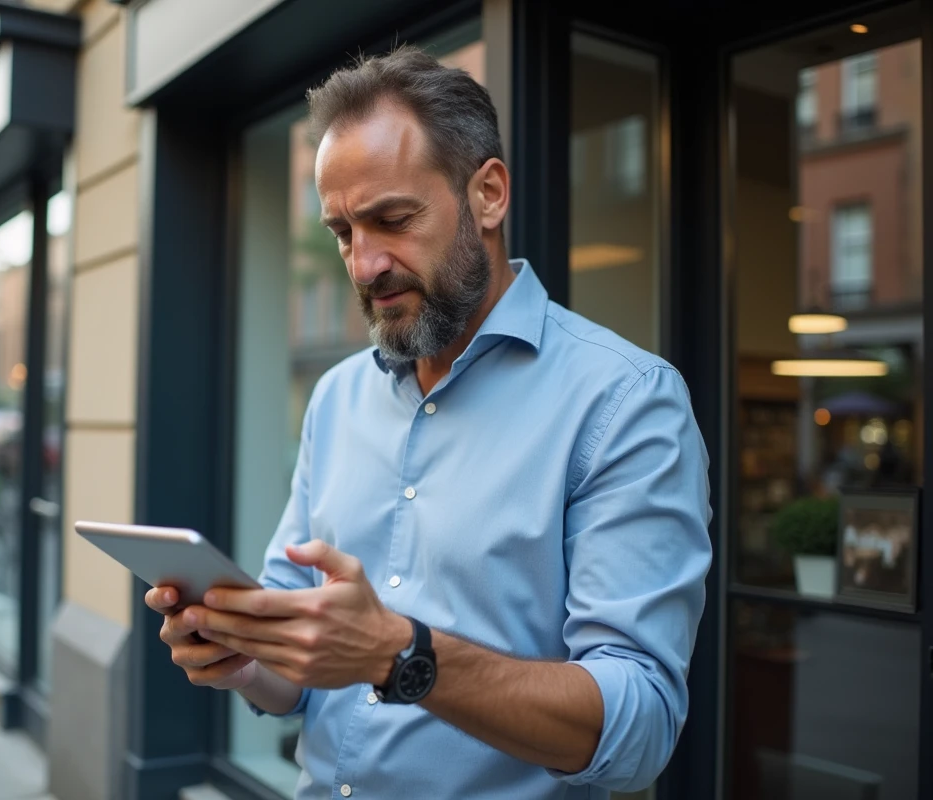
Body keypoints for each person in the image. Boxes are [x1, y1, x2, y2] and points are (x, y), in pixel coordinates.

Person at [146, 45, 712, 798]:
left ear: (488, 195)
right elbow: (298, 676)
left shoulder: (625, 402)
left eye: (392, 219)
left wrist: (399, 653)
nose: (364, 264)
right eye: (343, 232)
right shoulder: (336, 398)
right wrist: (243, 655)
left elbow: (639, 728)